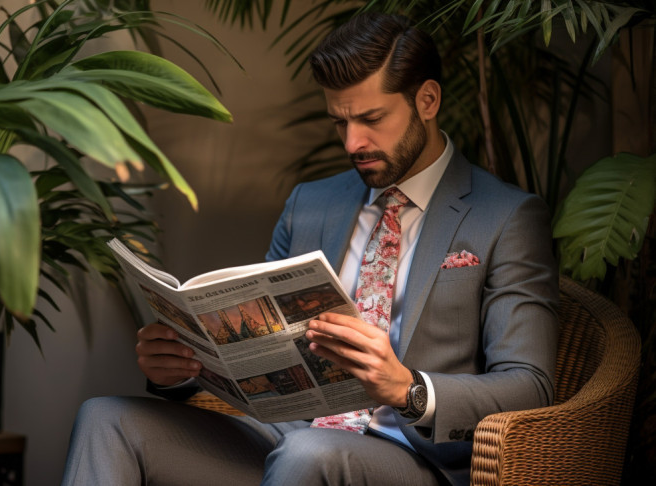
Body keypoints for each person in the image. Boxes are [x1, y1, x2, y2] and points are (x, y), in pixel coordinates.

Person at [61, 11, 558, 486]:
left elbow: (530, 384)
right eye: (340, 123)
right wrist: (181, 370)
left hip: (414, 458)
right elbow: (257, 348)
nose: (352, 142)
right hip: (289, 438)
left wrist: (407, 388)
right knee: (107, 418)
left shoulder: (506, 216)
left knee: (308, 454)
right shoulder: (311, 203)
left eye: (371, 118)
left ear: (427, 100)